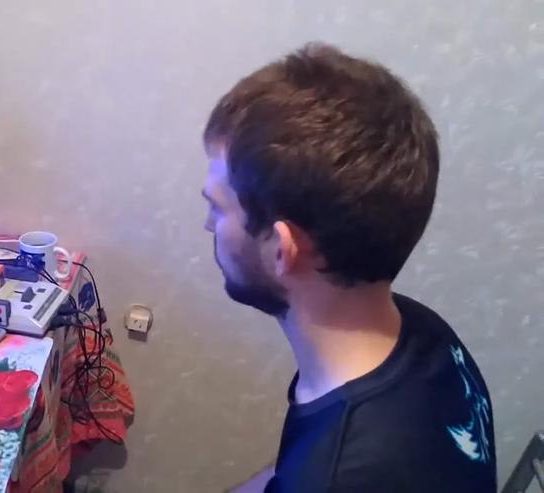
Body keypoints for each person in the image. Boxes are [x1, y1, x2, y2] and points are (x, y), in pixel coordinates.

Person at [201, 43, 496, 493]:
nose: (208, 225)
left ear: (283, 249)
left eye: (218, 208)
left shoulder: (338, 476)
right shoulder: (422, 332)